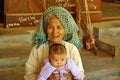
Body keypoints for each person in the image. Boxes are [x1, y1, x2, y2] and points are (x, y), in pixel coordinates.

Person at [24, 6, 85, 80]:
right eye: (50, 27)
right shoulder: (38, 49)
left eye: (59, 27)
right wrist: (47, 77)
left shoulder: (72, 49)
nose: (55, 32)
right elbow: (28, 75)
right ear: (45, 29)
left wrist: (72, 76)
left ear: (65, 30)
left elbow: (81, 74)